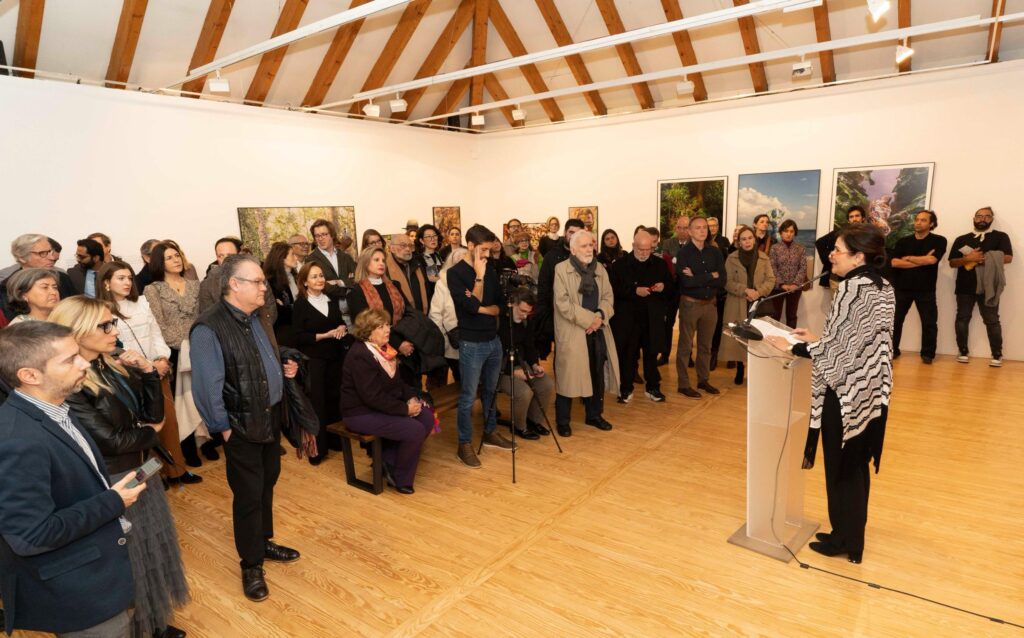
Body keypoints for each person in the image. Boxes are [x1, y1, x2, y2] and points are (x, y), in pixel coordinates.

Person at [51, 297, 190, 638]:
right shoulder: (69, 384)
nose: (114, 330)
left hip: (141, 469)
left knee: (151, 549)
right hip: (112, 480)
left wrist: (148, 374)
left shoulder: (110, 365)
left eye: (112, 322)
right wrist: (150, 432)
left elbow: (152, 415)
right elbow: (112, 441)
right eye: (105, 325)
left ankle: (151, 622)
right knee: (130, 557)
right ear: (77, 331)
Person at [0, 321, 145, 637]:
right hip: (81, 592)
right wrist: (113, 501)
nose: (84, 363)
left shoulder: (55, 408)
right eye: (70, 360)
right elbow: (32, 535)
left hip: (102, 567)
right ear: (30, 375)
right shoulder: (16, 440)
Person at [765, 224, 895, 565]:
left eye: (838, 250)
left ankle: (845, 540)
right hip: (868, 391)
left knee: (842, 467)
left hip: (845, 392)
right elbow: (852, 340)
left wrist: (791, 347)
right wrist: (816, 339)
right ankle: (850, 535)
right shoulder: (881, 285)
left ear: (858, 256)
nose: (831, 255)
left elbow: (839, 353)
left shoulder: (853, 288)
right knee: (854, 466)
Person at [190, 255, 301, 602]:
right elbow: (206, 387)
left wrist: (283, 361)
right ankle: (251, 564)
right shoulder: (208, 328)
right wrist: (223, 428)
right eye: (258, 282)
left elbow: (259, 358)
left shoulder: (258, 316)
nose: (264, 287)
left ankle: (263, 542)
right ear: (234, 285)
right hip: (239, 425)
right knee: (249, 495)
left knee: (267, 483)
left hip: (269, 416)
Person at [97, 261, 200, 486]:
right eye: (120, 278)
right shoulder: (101, 311)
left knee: (168, 425)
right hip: (128, 377)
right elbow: (113, 348)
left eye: (129, 278)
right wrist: (145, 366)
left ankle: (177, 471)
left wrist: (161, 359)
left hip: (156, 372)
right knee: (143, 429)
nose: (127, 282)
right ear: (106, 283)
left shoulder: (142, 302)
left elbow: (156, 334)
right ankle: (153, 478)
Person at [340, 308, 437, 494]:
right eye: (380, 327)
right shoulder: (360, 354)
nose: (387, 330)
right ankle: (399, 477)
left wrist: (411, 398)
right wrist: (405, 409)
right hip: (360, 413)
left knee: (426, 417)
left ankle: (387, 460)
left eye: (387, 325)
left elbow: (398, 383)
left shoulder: (384, 349)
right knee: (414, 430)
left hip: (380, 406)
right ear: (368, 332)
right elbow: (372, 397)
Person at [447, 225, 514, 467]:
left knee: (490, 391)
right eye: (483, 249)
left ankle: (490, 432)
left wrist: (481, 309)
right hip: (471, 343)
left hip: (493, 340)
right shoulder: (455, 273)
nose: (487, 254)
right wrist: (478, 276)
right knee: (468, 397)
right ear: (471, 246)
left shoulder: (491, 269)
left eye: (489, 249)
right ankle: (464, 444)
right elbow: (470, 305)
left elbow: (499, 306)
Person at [553, 230, 618, 435]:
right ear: (573, 249)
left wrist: (600, 316)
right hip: (572, 331)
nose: (589, 249)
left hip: (597, 330)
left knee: (596, 374)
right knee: (568, 376)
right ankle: (563, 421)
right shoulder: (561, 269)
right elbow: (563, 304)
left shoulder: (600, 269)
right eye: (584, 246)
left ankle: (594, 415)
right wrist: (591, 319)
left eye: (591, 245)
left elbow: (608, 297)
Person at [145, 241, 204, 465]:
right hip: (174, 351)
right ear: (159, 263)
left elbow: (203, 316)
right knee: (182, 400)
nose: (176, 260)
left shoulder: (195, 285)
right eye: (169, 257)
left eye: (177, 255)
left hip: (199, 347)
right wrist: (180, 344)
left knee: (203, 395)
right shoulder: (153, 289)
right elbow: (158, 323)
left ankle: (207, 441)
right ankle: (188, 448)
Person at [292, 261, 349, 466]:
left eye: (321, 275)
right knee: (317, 404)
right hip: (314, 360)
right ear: (305, 282)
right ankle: (318, 450)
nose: (320, 279)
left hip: (335, 358)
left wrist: (342, 328)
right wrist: (325, 335)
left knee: (334, 400)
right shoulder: (300, 305)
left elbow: (339, 323)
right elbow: (298, 337)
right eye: (314, 276)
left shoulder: (330, 300)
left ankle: (335, 441)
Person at [609, 229, 672, 403]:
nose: (644, 253)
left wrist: (663, 287)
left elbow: (671, 288)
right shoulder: (620, 265)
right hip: (628, 319)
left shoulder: (660, 264)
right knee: (628, 355)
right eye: (640, 249)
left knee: (651, 355)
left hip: (652, 319)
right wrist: (634, 291)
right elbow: (614, 290)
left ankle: (653, 388)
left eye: (648, 249)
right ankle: (625, 388)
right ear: (633, 246)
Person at [949, 206, 1013, 367]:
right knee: (962, 318)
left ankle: (997, 354)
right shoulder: (961, 238)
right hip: (965, 285)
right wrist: (968, 259)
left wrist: (983, 258)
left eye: (987, 216)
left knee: (992, 320)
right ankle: (963, 351)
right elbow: (952, 262)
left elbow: (1008, 258)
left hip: (989, 285)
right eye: (979, 216)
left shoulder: (1001, 237)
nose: (982, 219)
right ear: (974, 218)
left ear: (992, 219)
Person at [676, 217, 726, 399]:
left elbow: (722, 280)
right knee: (685, 346)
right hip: (690, 304)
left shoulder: (715, 252)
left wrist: (697, 275)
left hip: (710, 305)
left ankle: (703, 380)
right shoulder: (683, 253)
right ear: (689, 231)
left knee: (706, 346)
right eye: (698, 228)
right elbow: (686, 282)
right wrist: (710, 275)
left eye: (705, 227)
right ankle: (683, 384)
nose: (703, 231)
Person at [890, 210, 947, 364]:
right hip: (902, 288)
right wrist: (921, 260)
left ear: (931, 224)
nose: (918, 222)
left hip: (926, 289)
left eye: (923, 220)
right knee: (895, 321)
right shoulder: (903, 241)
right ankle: (892, 350)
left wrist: (908, 258)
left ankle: (927, 354)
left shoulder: (939, 240)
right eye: (917, 219)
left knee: (929, 323)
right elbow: (894, 262)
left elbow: (932, 261)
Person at [721, 226, 776, 385]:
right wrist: (745, 290)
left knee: (757, 338)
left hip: (758, 303)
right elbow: (727, 282)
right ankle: (740, 368)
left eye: (750, 238)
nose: (747, 242)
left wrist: (758, 292)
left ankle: (757, 371)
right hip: (738, 302)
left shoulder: (764, 258)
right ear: (739, 242)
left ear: (754, 239)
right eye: (743, 239)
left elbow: (771, 279)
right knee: (739, 337)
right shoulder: (731, 258)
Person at [497, 287, 553, 440]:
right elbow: (493, 357)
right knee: (524, 392)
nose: (525, 315)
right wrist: (513, 372)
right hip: (501, 369)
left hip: (521, 364)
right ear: (513, 304)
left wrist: (535, 365)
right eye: (522, 311)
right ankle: (519, 426)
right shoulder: (499, 321)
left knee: (546, 384)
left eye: (528, 312)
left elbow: (530, 346)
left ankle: (534, 421)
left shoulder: (526, 321)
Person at [535, 218, 585, 359]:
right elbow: (544, 287)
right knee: (563, 357)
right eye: (571, 232)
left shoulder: (587, 256)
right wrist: (544, 316)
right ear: (564, 233)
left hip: (582, 315)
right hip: (558, 314)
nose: (574, 236)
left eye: (578, 233)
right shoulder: (551, 256)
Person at [1, 234, 76, 320]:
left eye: (50, 251)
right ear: (22, 258)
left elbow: (76, 309)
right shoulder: (7, 285)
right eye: (42, 253)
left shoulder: (63, 278)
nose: (52, 257)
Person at [428, 247, 467, 382]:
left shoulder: (477, 280)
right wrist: (442, 339)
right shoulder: (443, 283)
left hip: (472, 336)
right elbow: (435, 313)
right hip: (452, 337)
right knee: (459, 375)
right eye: (457, 261)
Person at [658, 215, 690, 366]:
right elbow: (665, 264)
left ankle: (687, 356)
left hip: (688, 289)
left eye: (685, 228)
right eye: (679, 227)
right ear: (676, 228)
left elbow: (690, 265)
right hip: (671, 289)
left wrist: (674, 260)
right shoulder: (668, 243)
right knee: (668, 323)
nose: (682, 231)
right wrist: (676, 262)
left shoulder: (694, 244)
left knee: (687, 324)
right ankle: (665, 355)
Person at [769, 219, 808, 329]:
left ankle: (791, 339)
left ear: (795, 233)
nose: (789, 234)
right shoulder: (774, 248)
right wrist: (782, 284)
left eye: (791, 231)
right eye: (786, 231)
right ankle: (772, 337)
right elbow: (772, 267)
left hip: (795, 289)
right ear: (781, 232)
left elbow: (803, 267)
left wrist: (795, 284)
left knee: (791, 316)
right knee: (775, 316)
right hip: (777, 288)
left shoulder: (800, 249)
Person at [816, 206, 865, 292]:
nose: (854, 219)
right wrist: (830, 257)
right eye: (851, 217)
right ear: (848, 220)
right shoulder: (840, 233)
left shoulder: (868, 236)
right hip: (838, 280)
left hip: (860, 278)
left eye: (857, 216)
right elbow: (819, 242)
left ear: (863, 218)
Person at [306, 219, 358, 297]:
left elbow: (357, 278)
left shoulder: (345, 257)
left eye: (324, 234)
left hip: (350, 302)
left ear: (332, 235)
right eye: (317, 236)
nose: (320, 238)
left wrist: (339, 282)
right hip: (327, 302)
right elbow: (319, 285)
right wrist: (346, 289)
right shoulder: (311, 260)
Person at [263, 241, 300, 348]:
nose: (296, 258)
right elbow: (277, 312)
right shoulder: (271, 282)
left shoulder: (297, 277)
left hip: (301, 329)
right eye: (292, 254)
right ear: (282, 258)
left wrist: (288, 307)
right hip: (284, 334)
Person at [707, 217, 731, 369]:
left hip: (720, 289)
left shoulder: (724, 241)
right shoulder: (702, 241)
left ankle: (715, 353)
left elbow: (726, 263)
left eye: (715, 225)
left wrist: (718, 249)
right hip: (706, 287)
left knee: (719, 323)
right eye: (709, 226)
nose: (712, 228)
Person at [386, 233, 429, 313]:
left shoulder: (418, 264)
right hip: (400, 317)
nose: (408, 249)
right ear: (392, 248)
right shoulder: (385, 269)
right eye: (403, 245)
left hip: (421, 315)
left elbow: (427, 290)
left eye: (410, 246)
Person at [416, 223, 444, 301]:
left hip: (441, 294)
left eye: (434, 235)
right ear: (422, 240)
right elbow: (431, 278)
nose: (433, 239)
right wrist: (445, 280)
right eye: (428, 236)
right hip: (428, 297)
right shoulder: (419, 259)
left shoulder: (438, 256)